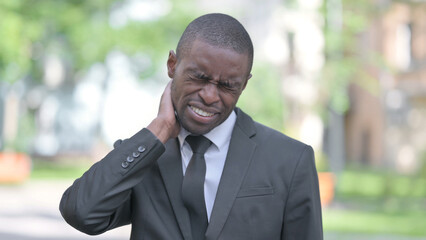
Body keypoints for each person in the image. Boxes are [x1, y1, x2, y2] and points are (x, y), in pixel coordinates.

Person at [59, 13, 323, 240]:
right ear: (172, 65)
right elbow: (81, 212)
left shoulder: (290, 161)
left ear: (244, 84)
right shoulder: (144, 154)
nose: (209, 95)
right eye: (199, 77)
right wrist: (160, 129)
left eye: (227, 85)